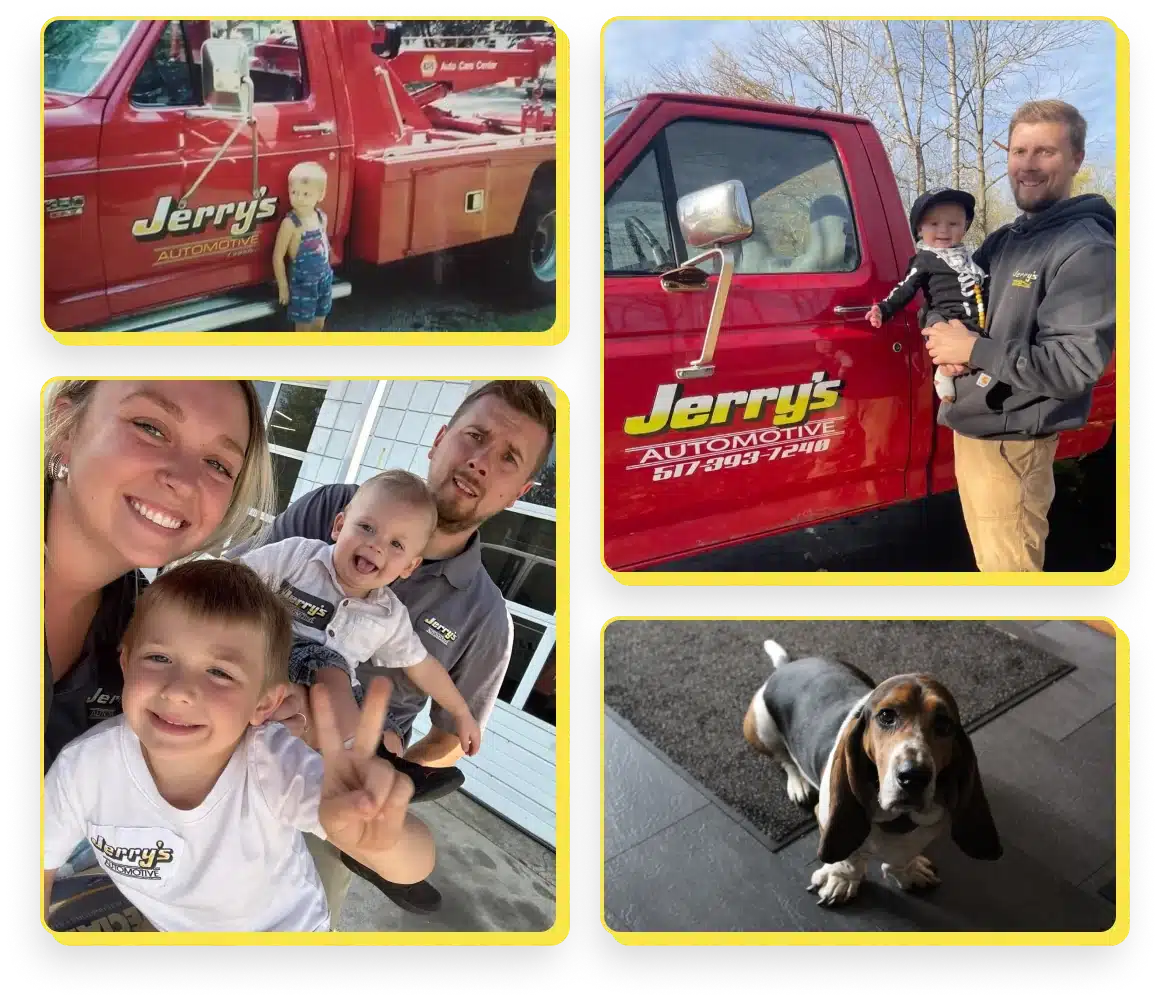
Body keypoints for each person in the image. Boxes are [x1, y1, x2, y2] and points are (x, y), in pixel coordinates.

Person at [226, 379, 556, 918]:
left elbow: (454, 733)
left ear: (521, 490)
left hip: (340, 787)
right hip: (239, 715)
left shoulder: (486, 617)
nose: (479, 461)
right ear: (440, 438)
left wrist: (393, 769)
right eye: (474, 436)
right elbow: (237, 595)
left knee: (287, 920)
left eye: (507, 458)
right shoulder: (335, 505)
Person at [43, 560, 431, 932]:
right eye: (159, 658)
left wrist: (378, 839)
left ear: (263, 703)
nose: (179, 692)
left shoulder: (272, 764)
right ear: (126, 664)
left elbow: (413, 865)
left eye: (219, 672)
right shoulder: (83, 768)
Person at [923, 99, 1115, 572]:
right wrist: (941, 334)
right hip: (978, 425)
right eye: (1018, 151)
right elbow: (949, 294)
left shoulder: (1087, 248)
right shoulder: (1008, 239)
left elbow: (1072, 366)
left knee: (1010, 573)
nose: (1027, 165)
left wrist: (972, 349)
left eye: (1045, 152)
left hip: (1014, 440)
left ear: (1076, 160)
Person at [233, 469, 483, 758]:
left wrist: (461, 712)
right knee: (329, 666)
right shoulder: (298, 557)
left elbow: (422, 665)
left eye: (396, 545)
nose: (376, 545)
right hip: (275, 657)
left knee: (389, 734)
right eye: (367, 527)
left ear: (408, 567)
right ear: (339, 526)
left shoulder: (389, 614)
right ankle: (354, 756)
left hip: (340, 697)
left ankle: (387, 764)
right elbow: (237, 576)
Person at [866, 187, 990, 403]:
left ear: (965, 227)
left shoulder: (969, 261)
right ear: (920, 229)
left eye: (953, 224)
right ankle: (943, 372)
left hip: (974, 319)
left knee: (978, 352)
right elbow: (905, 287)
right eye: (934, 224)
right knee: (959, 358)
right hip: (947, 320)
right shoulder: (924, 259)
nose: (943, 230)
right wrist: (883, 309)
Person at [273, 160, 333, 333]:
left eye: (306, 194)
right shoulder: (290, 224)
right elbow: (278, 257)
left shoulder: (322, 217)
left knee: (319, 323)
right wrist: (283, 288)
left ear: (320, 195)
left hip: (324, 281)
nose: (299, 198)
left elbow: (324, 245)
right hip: (303, 285)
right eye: (294, 192)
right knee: (303, 328)